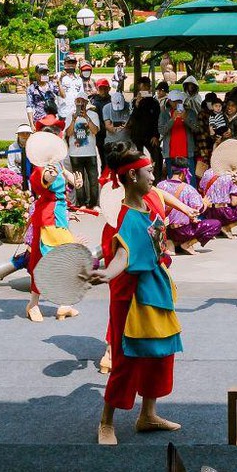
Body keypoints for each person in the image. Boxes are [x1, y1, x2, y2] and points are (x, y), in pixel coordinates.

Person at [88, 142, 183, 445]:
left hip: (155, 289)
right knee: (126, 361)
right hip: (131, 297)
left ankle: (148, 414)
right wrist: (107, 273)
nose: (154, 177)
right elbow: (123, 256)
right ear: (131, 177)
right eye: (149, 172)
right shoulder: (129, 216)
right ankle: (106, 423)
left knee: (160, 356)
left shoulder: (149, 201)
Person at [0, 146, 82, 323]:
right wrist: (49, 177)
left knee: (53, 260)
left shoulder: (57, 163)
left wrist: (75, 182)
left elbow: (66, 175)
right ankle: (35, 304)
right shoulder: (41, 167)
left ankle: (61, 304)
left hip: (59, 214)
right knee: (49, 261)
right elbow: (40, 182)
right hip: (47, 218)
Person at [66, 96, 102, 210]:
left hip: (90, 152)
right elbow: (68, 133)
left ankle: (94, 203)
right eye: (78, 101)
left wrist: (86, 117)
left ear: (87, 103)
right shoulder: (70, 115)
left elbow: (95, 131)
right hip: (75, 153)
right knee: (78, 179)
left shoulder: (93, 115)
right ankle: (81, 203)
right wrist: (73, 119)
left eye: (82, 101)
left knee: (93, 179)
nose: (80, 103)